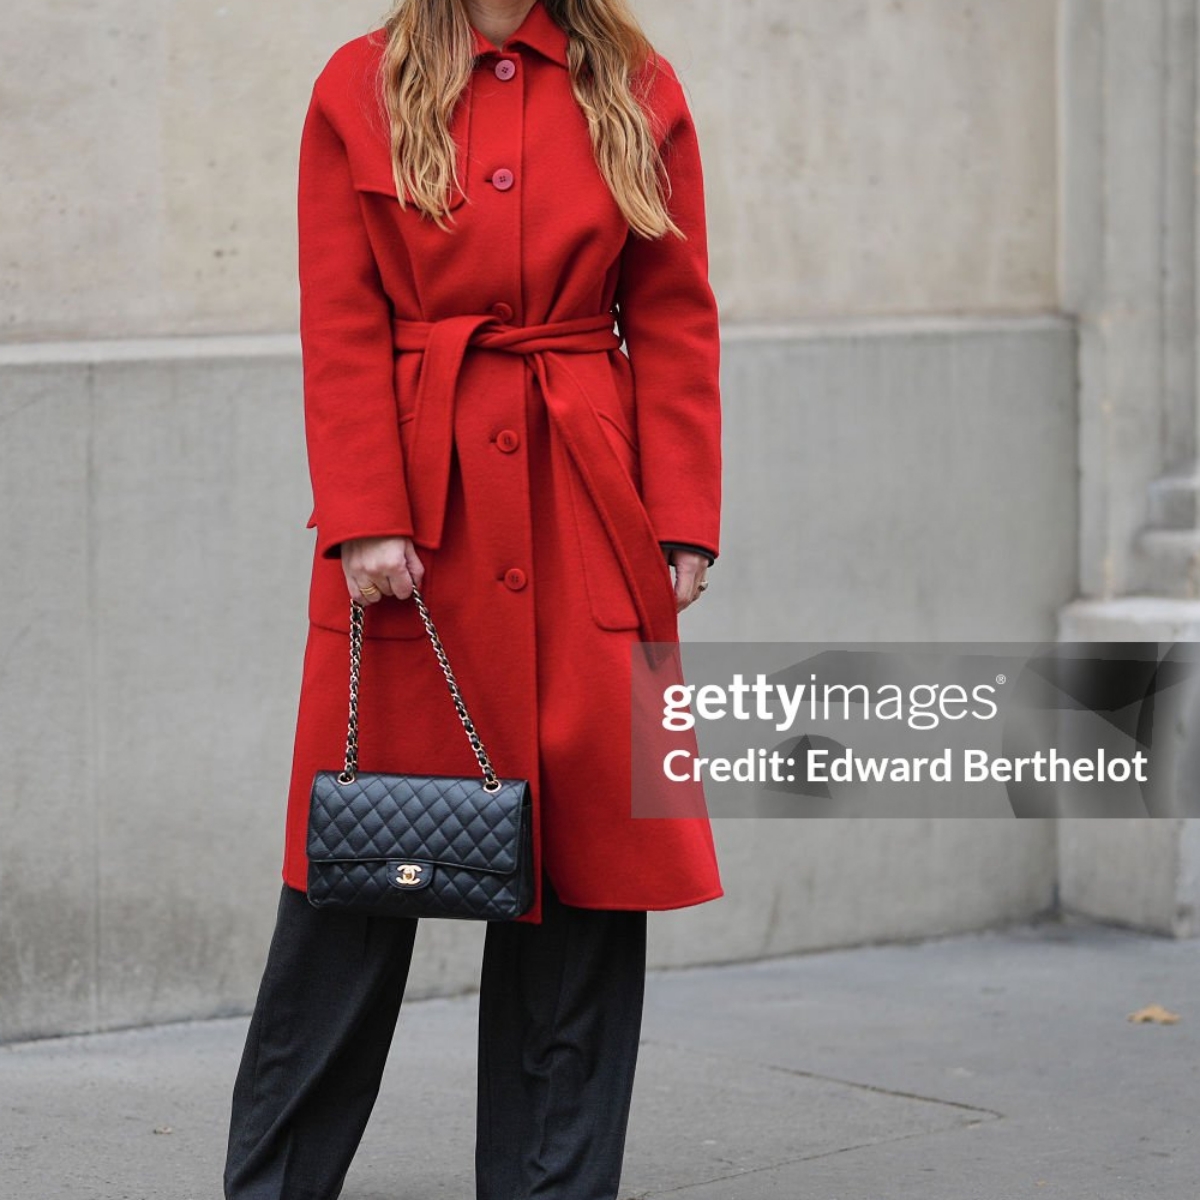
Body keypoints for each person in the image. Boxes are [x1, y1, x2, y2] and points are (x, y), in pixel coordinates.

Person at [223, 1, 724, 1197]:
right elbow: (340, 314)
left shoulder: (634, 82)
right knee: (354, 880)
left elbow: (671, 309)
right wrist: (363, 509)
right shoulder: (362, 81)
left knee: (588, 885)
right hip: (417, 528)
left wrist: (682, 520)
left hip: (592, 520)